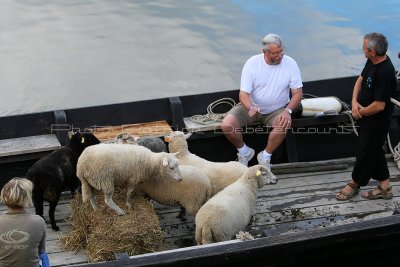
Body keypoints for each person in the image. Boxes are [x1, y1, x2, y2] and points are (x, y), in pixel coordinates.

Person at [221, 33, 303, 179]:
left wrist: (287, 110)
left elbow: (297, 93)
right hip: (251, 108)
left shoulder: (291, 63)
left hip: (277, 109)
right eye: (275, 53)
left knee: (284, 123)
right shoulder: (252, 63)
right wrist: (250, 107)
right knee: (227, 125)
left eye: (281, 51)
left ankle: (265, 157)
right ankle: (244, 152)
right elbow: (243, 94)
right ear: (265, 52)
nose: (280, 55)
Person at [336, 32, 397, 201]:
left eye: (364, 48)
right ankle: (385, 187)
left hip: (377, 120)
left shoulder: (385, 72)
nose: (361, 49)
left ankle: (355, 182)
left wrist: (358, 112)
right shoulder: (371, 61)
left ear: (373, 52)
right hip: (365, 114)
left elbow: (379, 106)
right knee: (374, 150)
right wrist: (354, 102)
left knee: (365, 152)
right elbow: (360, 79)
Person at [0, 177, 47, 267]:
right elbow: (41, 251)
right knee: (44, 257)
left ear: (4, 197)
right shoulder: (38, 221)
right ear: (27, 199)